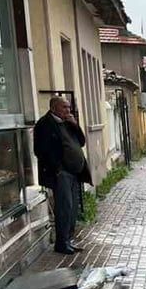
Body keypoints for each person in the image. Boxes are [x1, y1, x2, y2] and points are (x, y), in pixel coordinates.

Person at [33, 97, 92, 254]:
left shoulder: (67, 122)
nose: (68, 110)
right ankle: (61, 243)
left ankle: (68, 239)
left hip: (74, 172)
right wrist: (57, 168)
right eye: (64, 107)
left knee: (72, 208)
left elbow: (81, 141)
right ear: (53, 108)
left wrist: (74, 125)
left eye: (69, 107)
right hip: (61, 173)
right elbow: (40, 151)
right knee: (64, 208)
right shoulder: (45, 124)